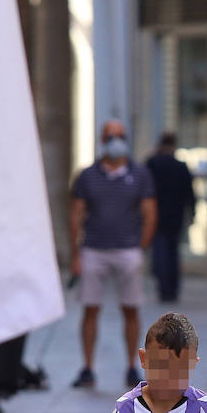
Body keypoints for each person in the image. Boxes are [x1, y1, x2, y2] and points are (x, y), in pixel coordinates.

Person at [69, 120, 157, 389]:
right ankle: (87, 367)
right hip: (94, 249)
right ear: (102, 140)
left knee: (131, 308)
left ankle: (132, 366)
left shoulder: (139, 174)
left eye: (120, 136)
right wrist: (76, 254)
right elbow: (76, 214)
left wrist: (140, 247)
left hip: (127, 250)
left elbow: (150, 213)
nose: (115, 141)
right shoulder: (88, 176)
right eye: (110, 136)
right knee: (90, 308)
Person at [145, 132, 197, 303]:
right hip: (176, 214)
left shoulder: (152, 163)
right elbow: (189, 192)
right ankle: (172, 288)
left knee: (160, 250)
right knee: (173, 252)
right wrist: (193, 213)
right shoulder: (180, 166)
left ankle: (163, 286)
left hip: (156, 214)